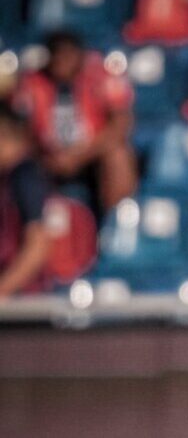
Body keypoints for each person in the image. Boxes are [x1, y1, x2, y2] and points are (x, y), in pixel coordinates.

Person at [13, 32, 136, 214]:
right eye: (58, 55)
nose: (63, 62)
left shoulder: (100, 76)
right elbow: (18, 128)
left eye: (68, 55)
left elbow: (121, 123)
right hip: (47, 156)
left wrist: (80, 155)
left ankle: (118, 222)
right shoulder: (31, 83)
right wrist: (46, 155)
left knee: (119, 154)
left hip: (91, 153)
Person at [0, 104, 54, 299]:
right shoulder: (9, 176)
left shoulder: (25, 176)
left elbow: (37, 246)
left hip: (24, 302)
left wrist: (3, 290)